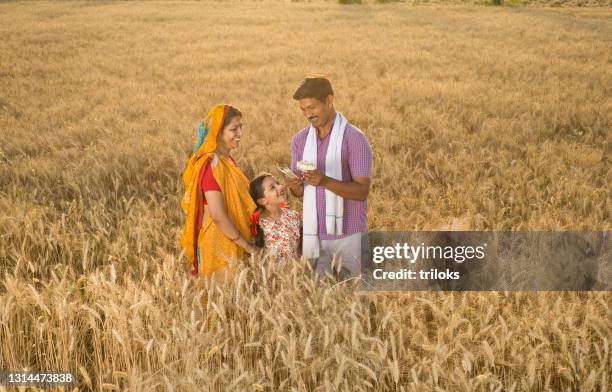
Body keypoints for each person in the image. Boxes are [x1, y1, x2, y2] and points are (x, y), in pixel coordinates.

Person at [284, 76, 373, 278]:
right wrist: (293, 184)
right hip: (314, 235)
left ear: (329, 101)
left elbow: (362, 191)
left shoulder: (354, 139)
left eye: (312, 107)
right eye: (303, 110)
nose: (308, 114)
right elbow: (299, 192)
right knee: (318, 300)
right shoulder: (300, 140)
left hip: (349, 234)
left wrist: (325, 181)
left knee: (353, 298)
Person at [180, 104, 260, 279]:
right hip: (217, 243)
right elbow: (217, 214)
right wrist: (249, 247)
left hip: (234, 238)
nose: (240, 133)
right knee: (218, 294)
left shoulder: (228, 160)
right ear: (218, 132)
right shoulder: (211, 164)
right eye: (233, 129)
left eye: (241, 127)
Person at [249, 173, 301, 261]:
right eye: (272, 187)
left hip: (296, 271)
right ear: (262, 201)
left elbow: (298, 250)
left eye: (278, 183)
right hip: (272, 273)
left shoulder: (294, 216)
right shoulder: (258, 224)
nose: (280, 187)